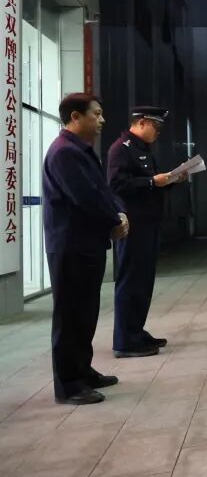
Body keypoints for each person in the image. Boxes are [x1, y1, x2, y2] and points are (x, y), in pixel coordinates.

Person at [43, 93, 129, 405]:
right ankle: (68, 384)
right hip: (70, 246)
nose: (102, 120)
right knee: (70, 316)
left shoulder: (80, 149)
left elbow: (101, 190)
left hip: (86, 244)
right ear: (76, 117)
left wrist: (118, 213)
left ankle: (82, 371)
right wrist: (113, 219)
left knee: (85, 313)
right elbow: (84, 196)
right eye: (96, 114)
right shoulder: (64, 152)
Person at [106, 106, 185, 358]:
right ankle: (124, 341)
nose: (158, 132)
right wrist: (152, 181)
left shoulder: (143, 150)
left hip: (149, 223)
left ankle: (136, 332)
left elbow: (149, 185)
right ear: (140, 122)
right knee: (130, 280)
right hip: (133, 225)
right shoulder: (121, 149)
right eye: (156, 126)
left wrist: (171, 180)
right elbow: (116, 184)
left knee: (143, 281)